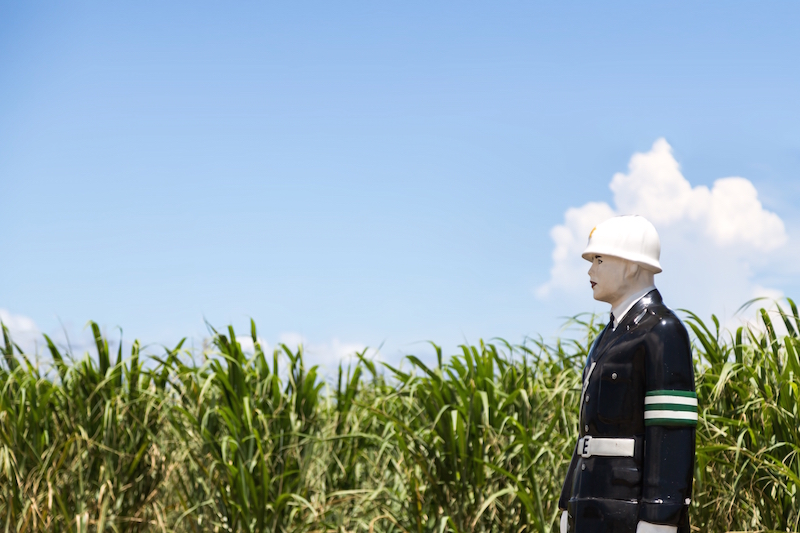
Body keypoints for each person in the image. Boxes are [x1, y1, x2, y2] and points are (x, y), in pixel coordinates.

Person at [558, 215, 697, 533]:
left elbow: (671, 432)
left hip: (631, 514)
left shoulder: (663, 331)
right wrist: (569, 501)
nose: (590, 270)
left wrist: (661, 518)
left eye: (599, 259)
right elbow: (586, 436)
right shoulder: (606, 337)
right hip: (591, 506)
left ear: (632, 265)